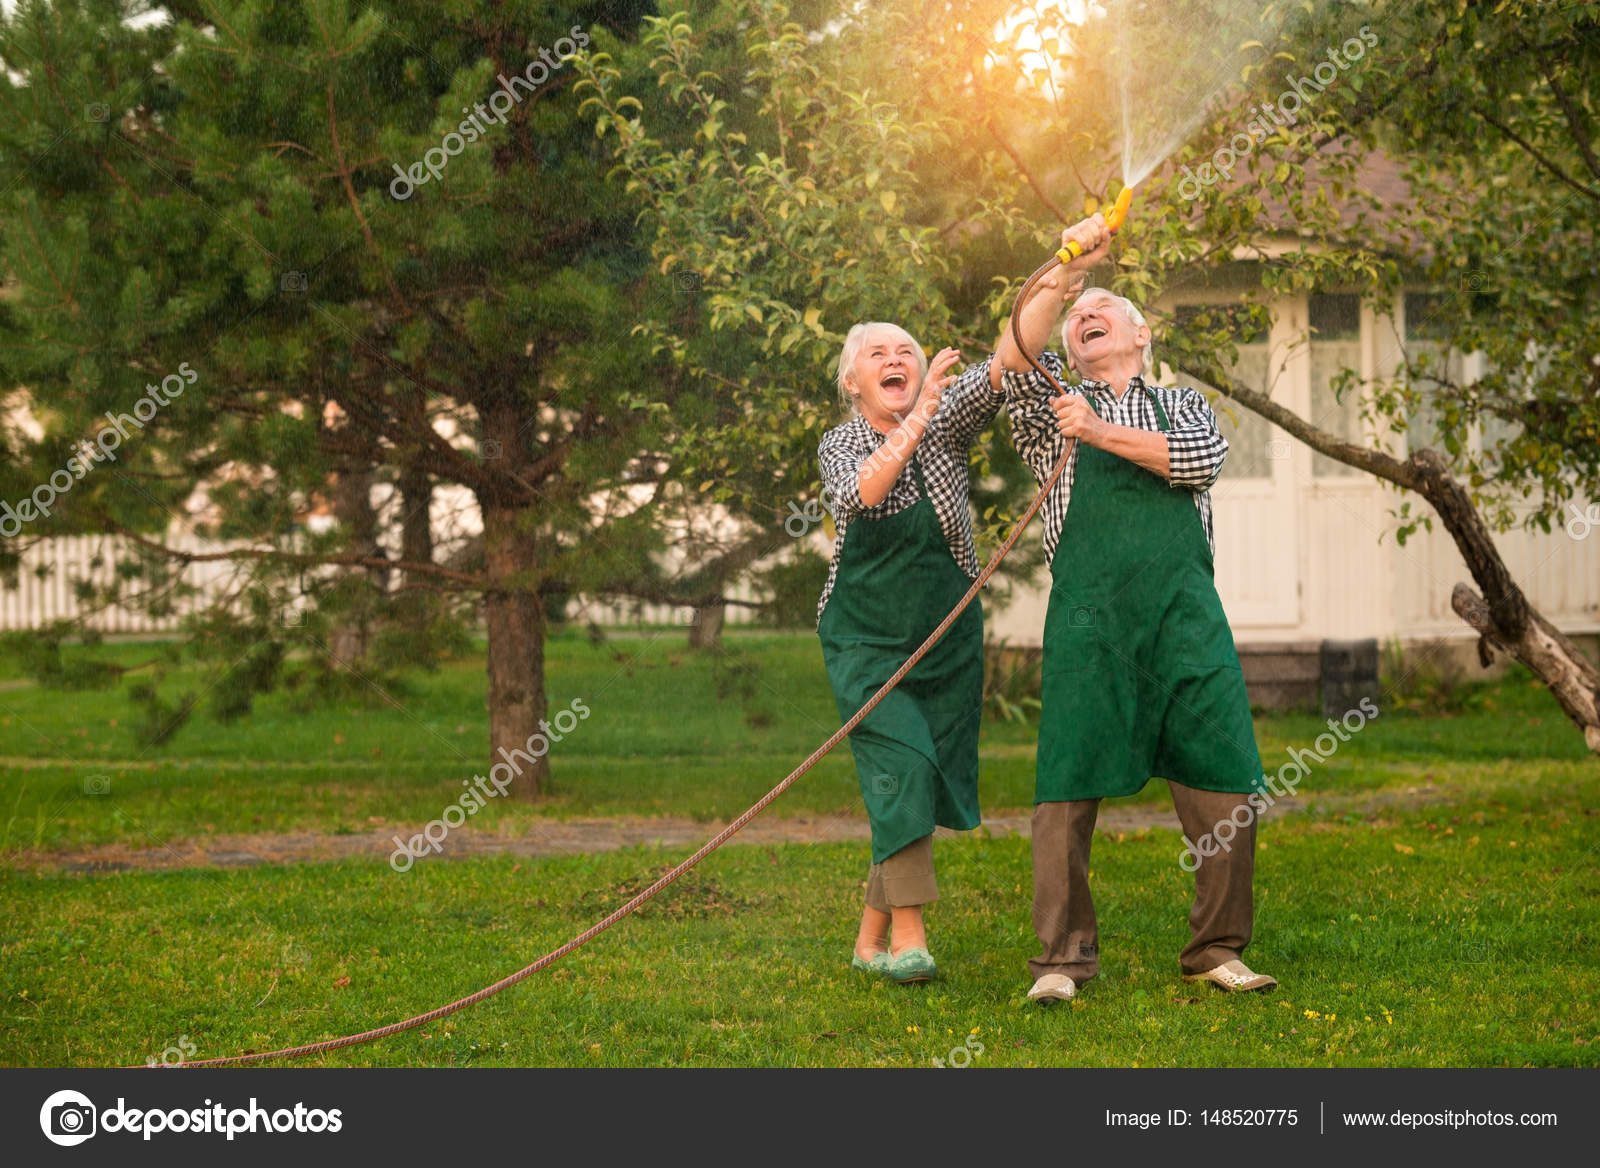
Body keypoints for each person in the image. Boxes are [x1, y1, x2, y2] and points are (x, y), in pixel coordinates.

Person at [998, 232, 1277, 1004]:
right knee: (1064, 791)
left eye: (1101, 308)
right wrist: (1070, 269)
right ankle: (1062, 960)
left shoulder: (1182, 403)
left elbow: (1196, 459)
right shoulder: (1048, 409)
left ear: (1140, 333)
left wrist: (1099, 432)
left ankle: (1217, 949)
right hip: (1090, 623)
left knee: (1226, 781)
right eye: (1075, 316)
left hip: (1185, 620)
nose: (1084, 316)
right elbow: (1015, 346)